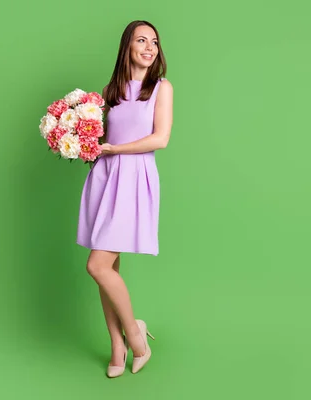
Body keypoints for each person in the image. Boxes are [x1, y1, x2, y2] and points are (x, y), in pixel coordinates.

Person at [76, 20, 174, 378]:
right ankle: (116, 346)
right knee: (108, 270)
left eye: (155, 42)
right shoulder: (109, 91)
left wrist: (116, 149)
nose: (150, 47)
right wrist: (76, 139)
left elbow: (160, 138)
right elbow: (100, 140)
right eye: (142, 40)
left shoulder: (161, 88)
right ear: (127, 47)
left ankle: (136, 335)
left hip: (134, 178)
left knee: (97, 265)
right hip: (104, 178)